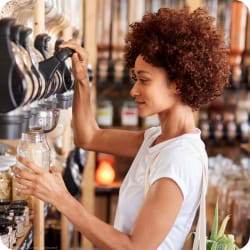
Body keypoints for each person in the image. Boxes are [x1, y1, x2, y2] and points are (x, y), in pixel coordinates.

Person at [14, 7, 229, 250]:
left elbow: (134, 247)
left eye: (144, 80)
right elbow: (89, 137)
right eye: (135, 79)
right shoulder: (158, 139)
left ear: (178, 84)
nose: (134, 90)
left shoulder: (178, 158)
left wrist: (61, 199)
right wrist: (82, 81)